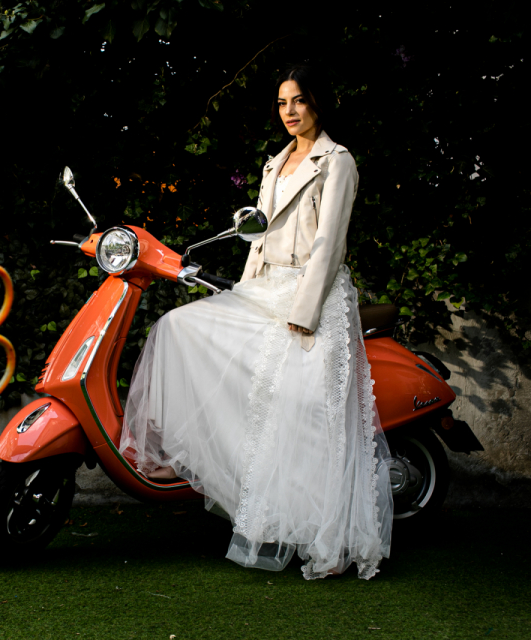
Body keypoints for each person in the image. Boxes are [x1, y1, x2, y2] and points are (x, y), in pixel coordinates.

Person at [118, 64, 393, 579]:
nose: (290, 112)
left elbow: (329, 244)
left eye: (300, 101)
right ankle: (194, 468)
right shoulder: (274, 164)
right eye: (284, 103)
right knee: (176, 327)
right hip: (265, 287)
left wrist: (304, 313)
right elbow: (258, 236)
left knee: (303, 417)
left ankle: (319, 532)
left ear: (318, 104)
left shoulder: (338, 162)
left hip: (313, 296)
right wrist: (239, 294)